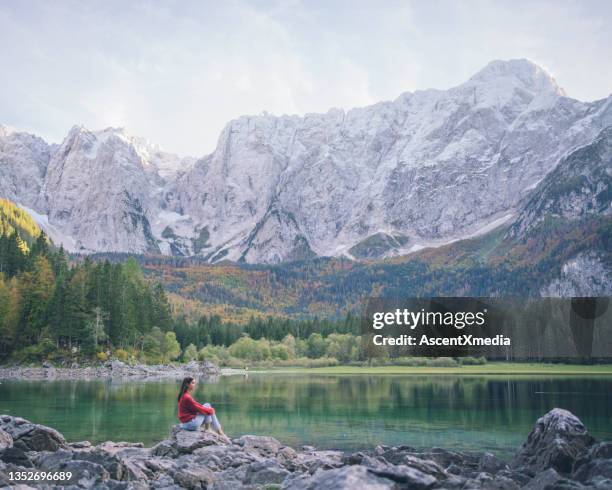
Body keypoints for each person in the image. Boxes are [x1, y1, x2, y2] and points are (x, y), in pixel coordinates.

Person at [177, 377, 229, 442]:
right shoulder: (187, 397)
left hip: (186, 424)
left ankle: (212, 429)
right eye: (193, 383)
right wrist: (211, 410)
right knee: (207, 409)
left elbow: (197, 405)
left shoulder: (184, 395)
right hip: (190, 425)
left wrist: (208, 409)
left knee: (207, 406)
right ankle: (217, 431)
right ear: (187, 384)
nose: (194, 385)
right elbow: (199, 409)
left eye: (195, 383)